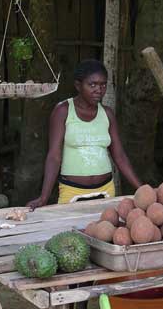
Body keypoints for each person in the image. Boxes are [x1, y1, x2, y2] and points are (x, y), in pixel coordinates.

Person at [26, 59, 143, 210]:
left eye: (103, 84)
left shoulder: (107, 114)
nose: (99, 90)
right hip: (72, 191)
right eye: (92, 84)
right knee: (70, 233)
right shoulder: (63, 111)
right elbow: (54, 156)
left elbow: (119, 156)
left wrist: (142, 189)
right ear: (78, 85)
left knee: (104, 231)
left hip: (106, 190)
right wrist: (44, 197)